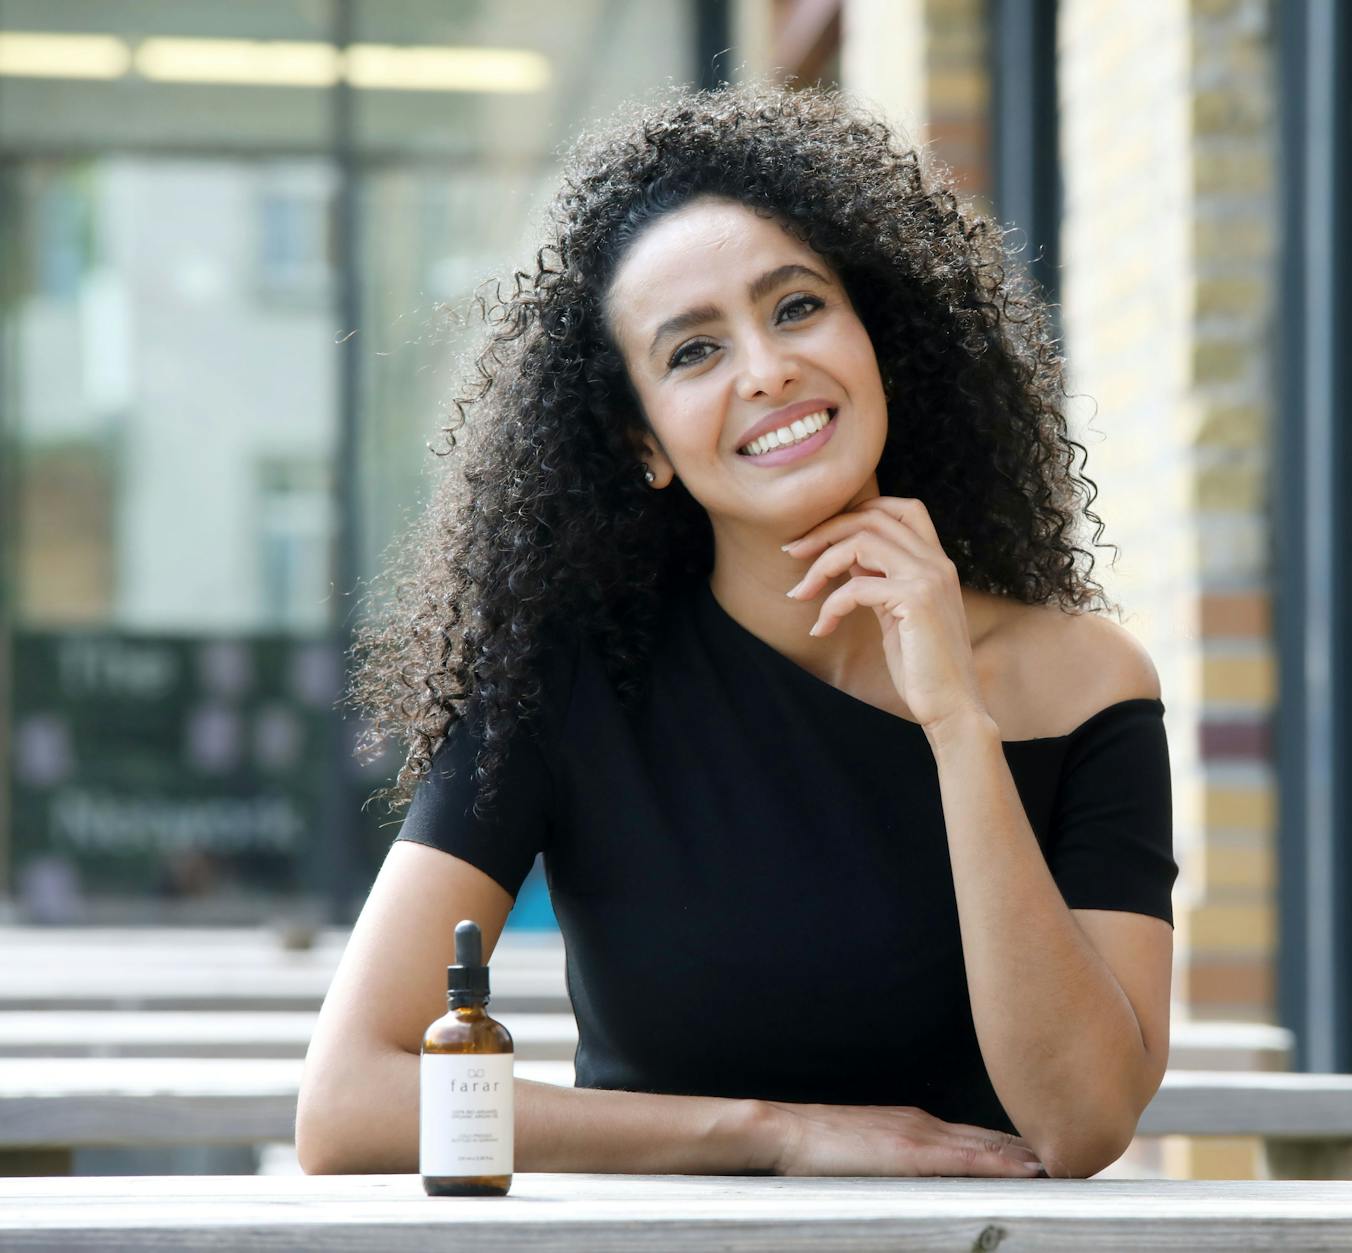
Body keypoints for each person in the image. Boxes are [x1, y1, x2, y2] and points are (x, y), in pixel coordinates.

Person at [296, 83, 1176, 1181]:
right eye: (692, 352)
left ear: (876, 337)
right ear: (645, 444)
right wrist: (772, 1131)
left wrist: (958, 723)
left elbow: (1080, 1122)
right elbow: (347, 1101)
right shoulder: (567, 683)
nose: (766, 369)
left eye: (797, 307)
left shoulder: (1090, 682)